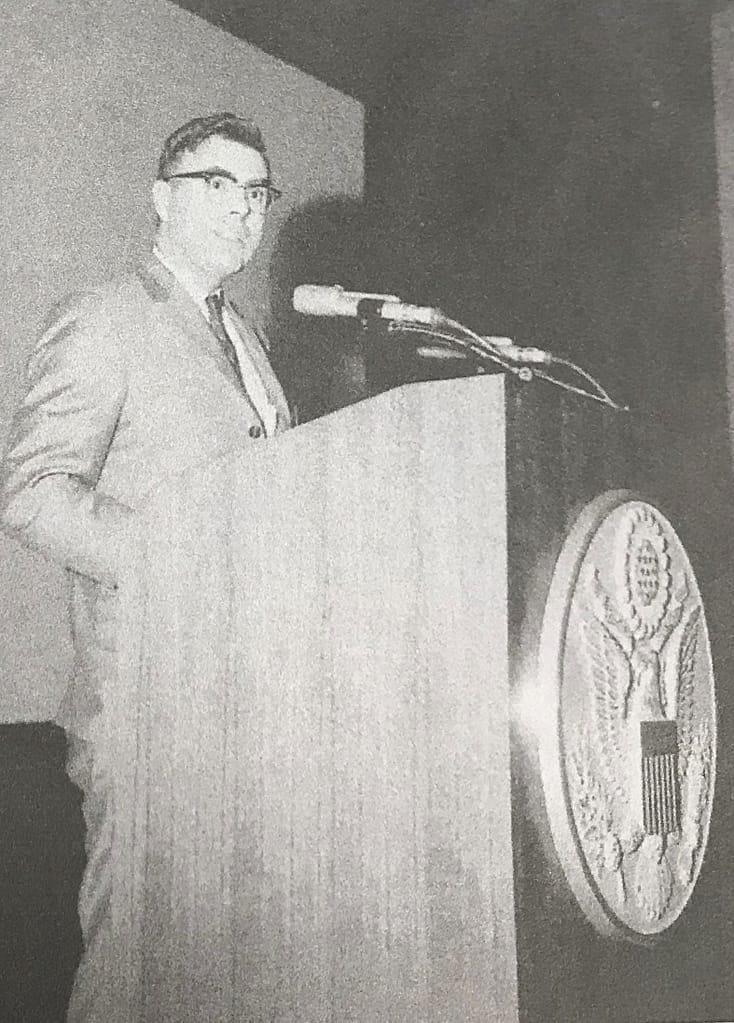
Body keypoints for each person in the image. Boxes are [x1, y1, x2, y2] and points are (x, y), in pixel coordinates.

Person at [0, 112, 292, 1020]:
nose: (242, 209)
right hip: (147, 706)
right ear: (160, 197)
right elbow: (33, 492)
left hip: (248, 702)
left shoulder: (250, 343)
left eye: (256, 192)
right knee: (133, 975)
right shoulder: (106, 316)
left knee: (221, 978)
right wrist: (188, 562)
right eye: (218, 184)